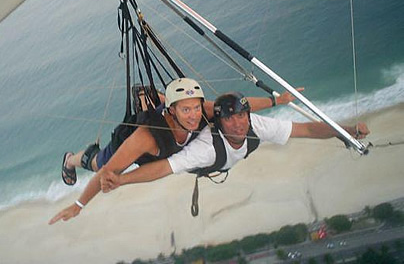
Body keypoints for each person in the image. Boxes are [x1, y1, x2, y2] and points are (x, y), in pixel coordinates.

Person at [49, 80, 296, 225]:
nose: (193, 115)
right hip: (127, 146)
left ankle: (153, 96)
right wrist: (79, 204)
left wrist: (278, 101)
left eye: (195, 108)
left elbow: (241, 106)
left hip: (165, 128)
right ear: (172, 110)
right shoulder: (145, 137)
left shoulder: (204, 110)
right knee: (96, 161)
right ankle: (70, 159)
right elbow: (107, 172)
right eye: (185, 110)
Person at [99, 92, 370, 193]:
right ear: (219, 122)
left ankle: (158, 98)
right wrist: (122, 180)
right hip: (181, 149)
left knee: (192, 110)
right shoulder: (204, 148)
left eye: (242, 116)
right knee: (99, 162)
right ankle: (74, 159)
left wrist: (344, 132)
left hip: (198, 133)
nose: (239, 124)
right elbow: (163, 168)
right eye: (230, 119)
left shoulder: (255, 125)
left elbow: (307, 129)